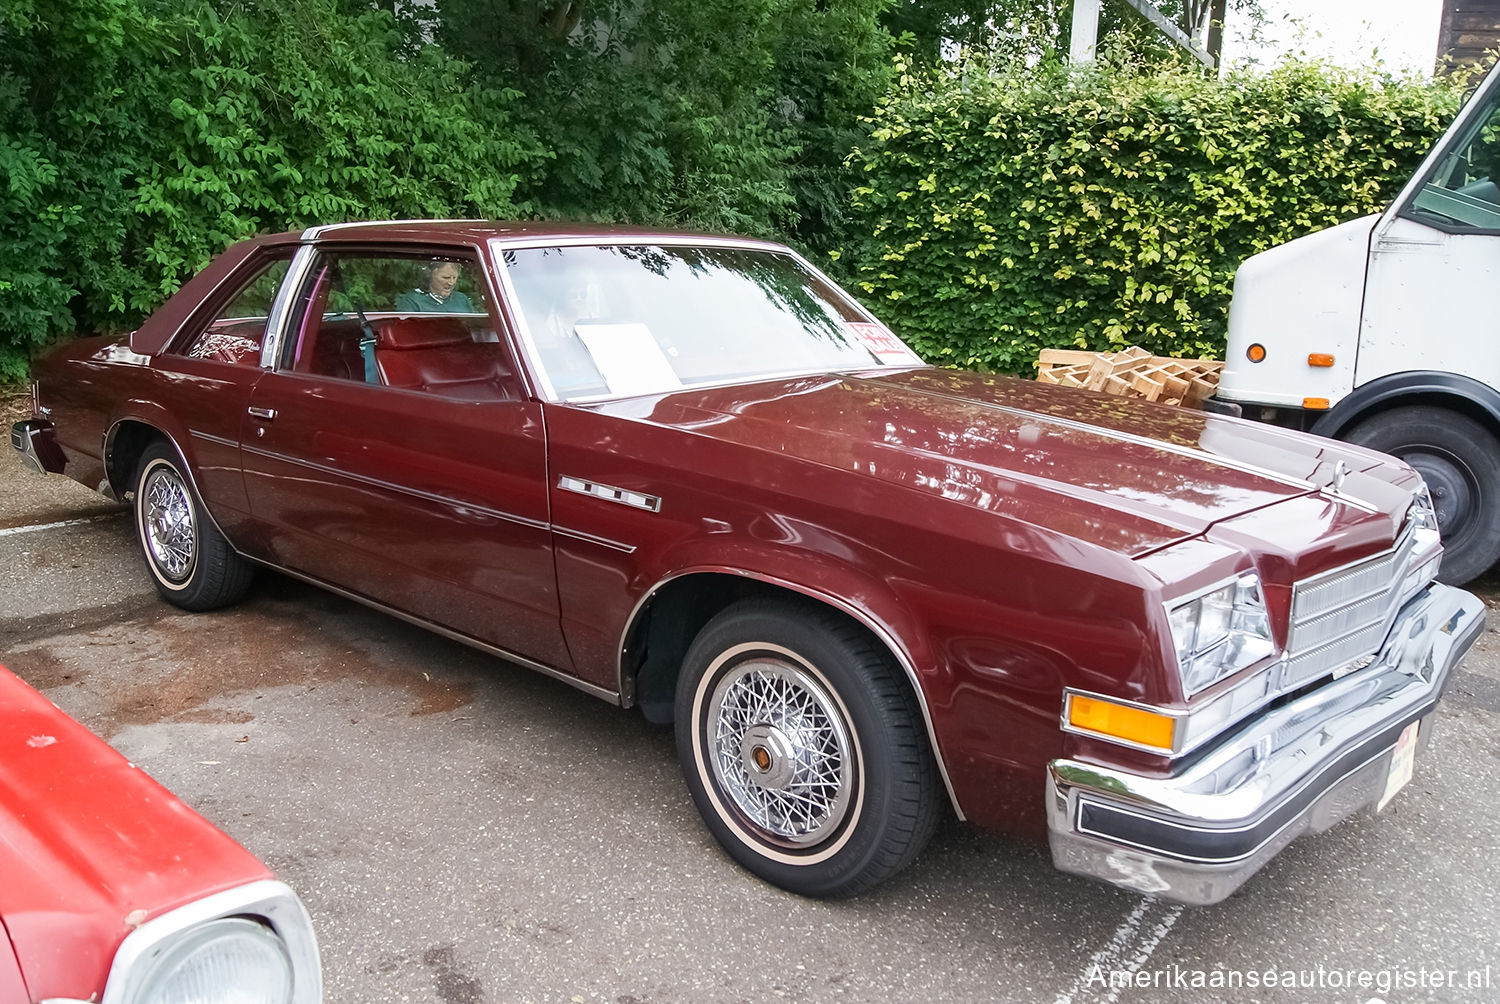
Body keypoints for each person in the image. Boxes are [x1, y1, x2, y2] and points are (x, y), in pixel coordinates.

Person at [397, 260, 477, 312]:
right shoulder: (412, 301)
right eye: (446, 277)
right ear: (430, 276)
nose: (451, 283)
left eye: (454, 278)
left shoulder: (462, 300)